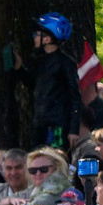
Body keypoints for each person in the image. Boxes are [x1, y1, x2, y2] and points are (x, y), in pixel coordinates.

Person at [26, 13, 85, 150]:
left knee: (56, 157)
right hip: (40, 123)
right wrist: (18, 69)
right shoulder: (40, 62)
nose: (34, 37)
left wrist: (73, 129)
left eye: (37, 34)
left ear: (47, 39)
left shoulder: (65, 63)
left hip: (58, 124)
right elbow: (32, 83)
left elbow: (75, 96)